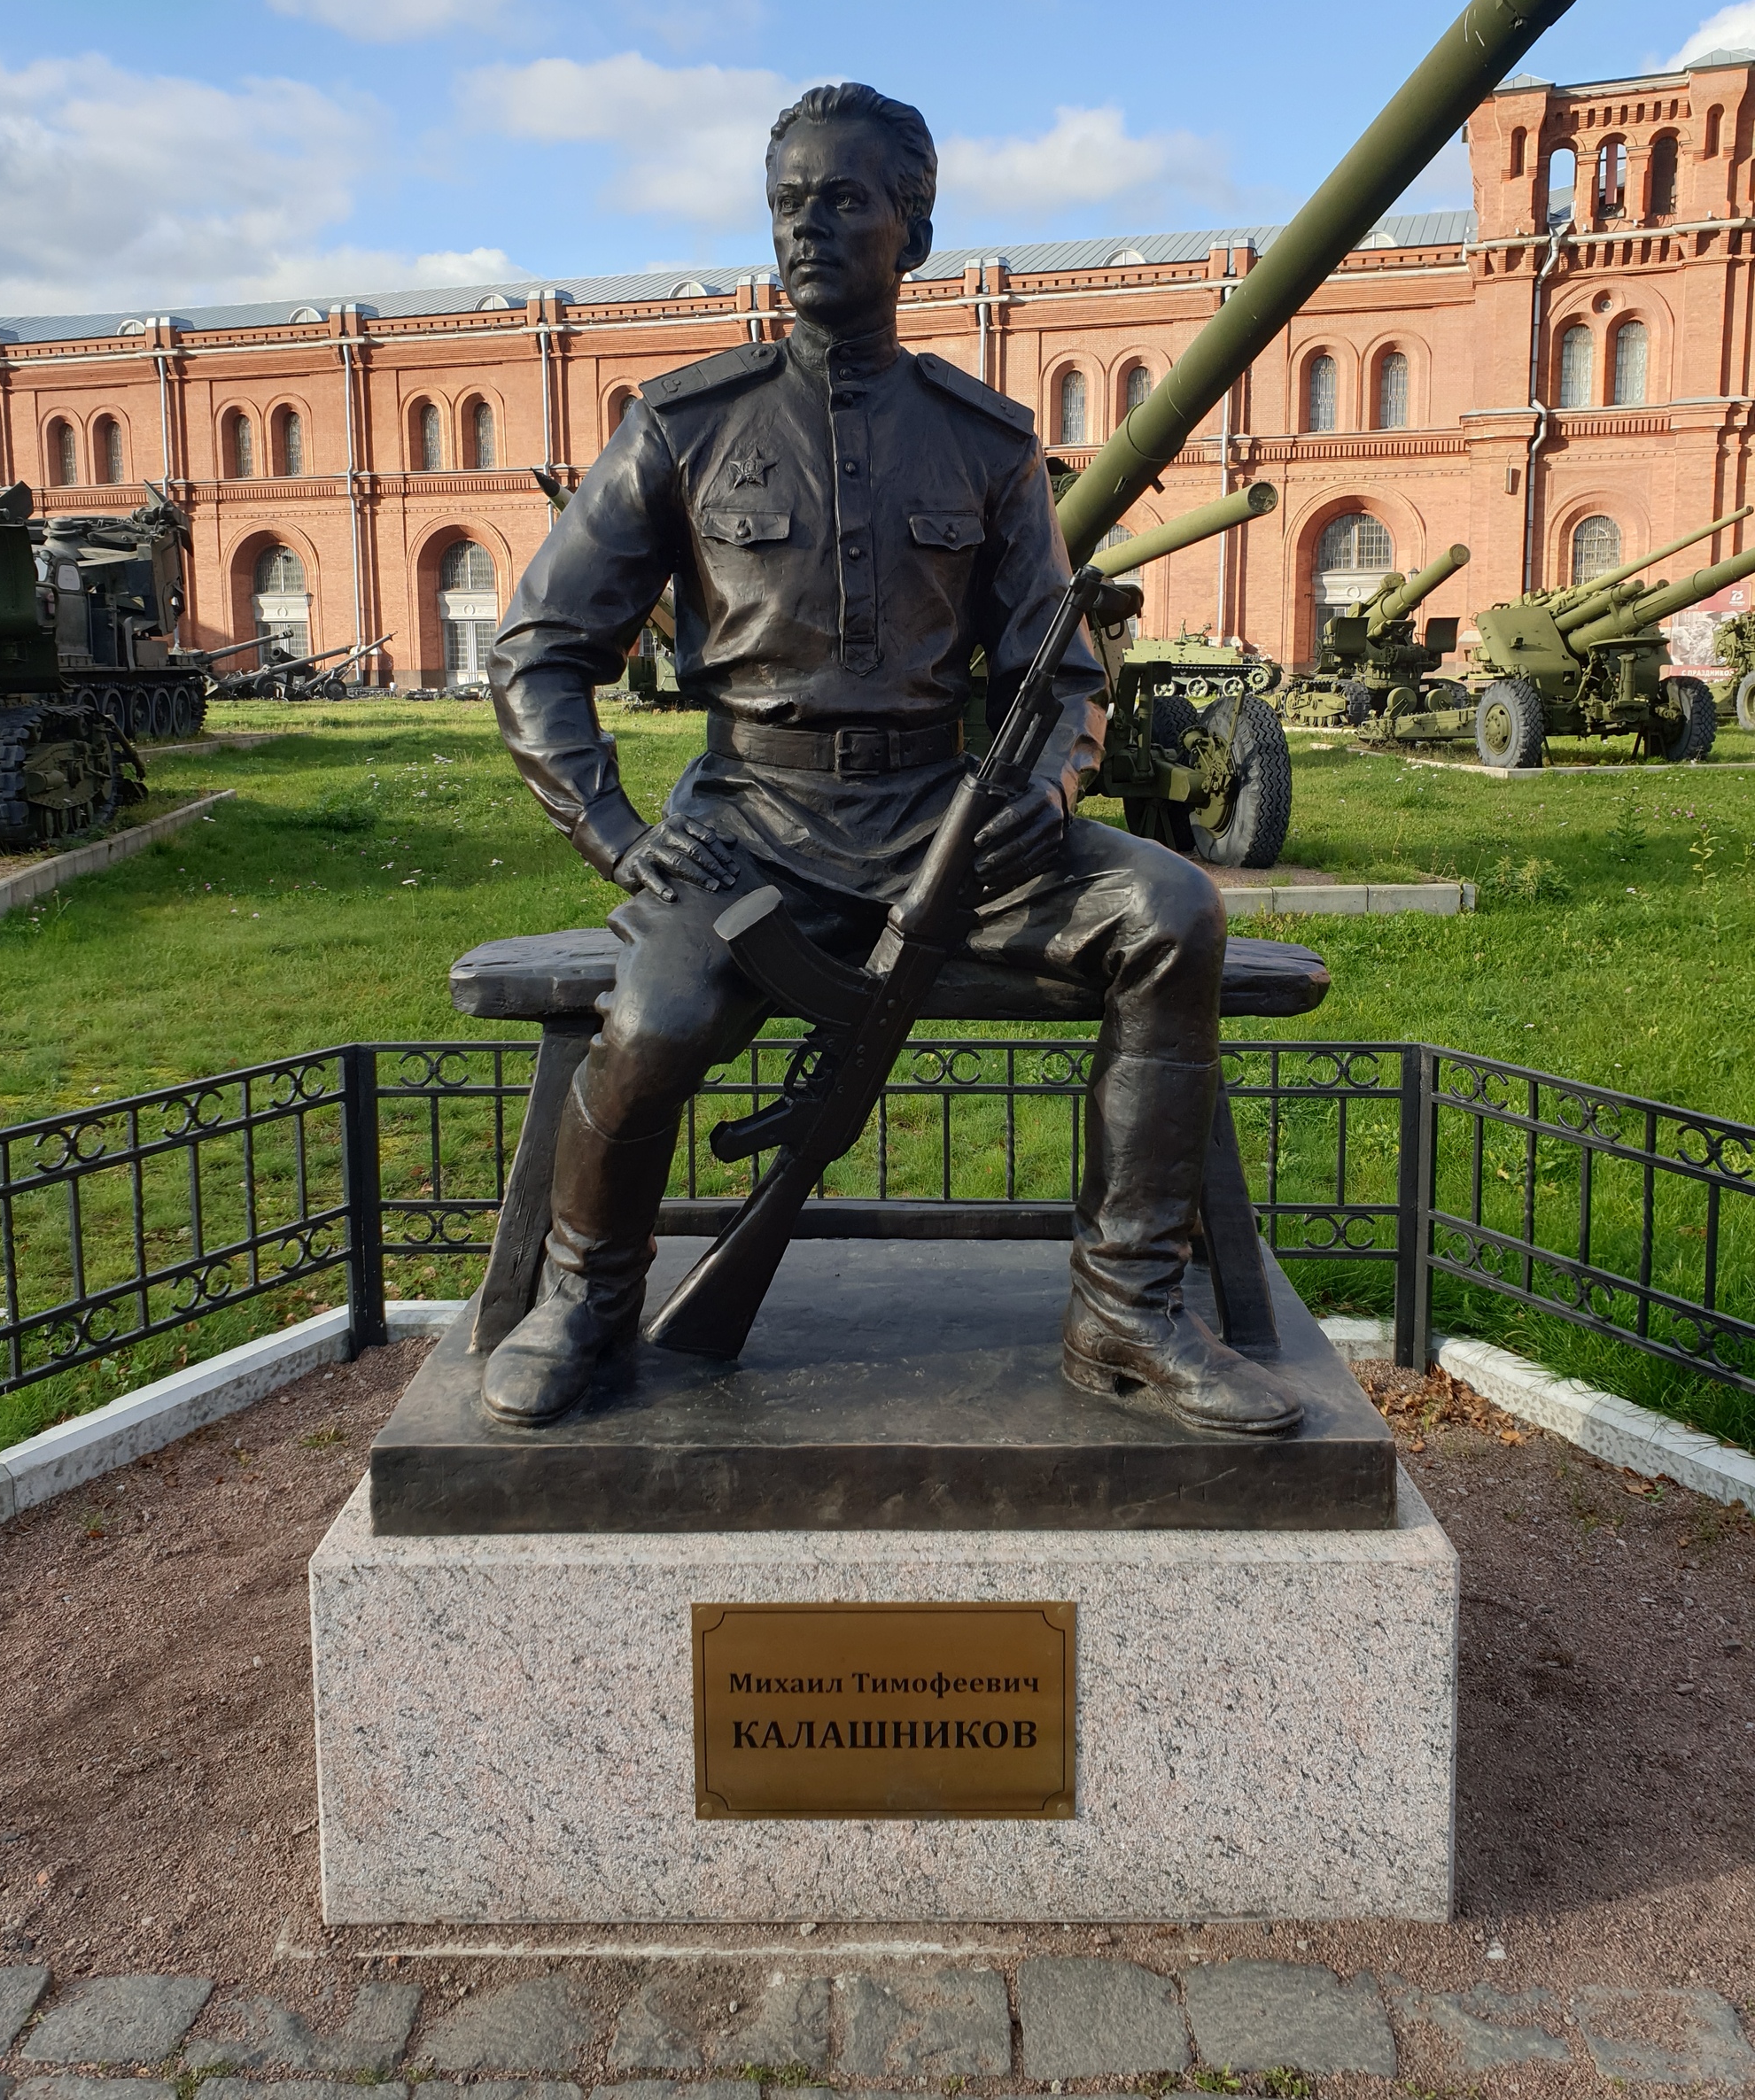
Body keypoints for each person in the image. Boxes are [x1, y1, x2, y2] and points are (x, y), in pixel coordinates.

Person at [485, 82, 1298, 1437]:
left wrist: (1042, 792)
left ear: (913, 230)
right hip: (746, 826)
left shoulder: (983, 443)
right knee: (660, 1018)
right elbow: (534, 649)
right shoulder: (684, 426)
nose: (808, 229)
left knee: (1171, 910)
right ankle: (586, 1298)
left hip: (946, 829)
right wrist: (616, 832)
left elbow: (1060, 665)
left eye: (844, 201)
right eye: (788, 205)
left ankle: (1128, 1315)